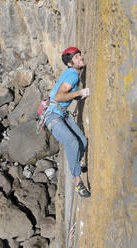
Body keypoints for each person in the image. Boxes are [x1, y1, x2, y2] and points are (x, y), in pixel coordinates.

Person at [45, 47, 90, 198]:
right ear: (71, 63)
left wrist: (77, 96)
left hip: (60, 114)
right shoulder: (72, 74)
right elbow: (58, 97)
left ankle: (76, 164)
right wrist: (79, 93)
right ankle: (77, 181)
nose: (81, 57)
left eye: (80, 54)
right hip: (53, 116)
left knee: (82, 141)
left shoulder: (73, 73)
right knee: (72, 142)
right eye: (77, 57)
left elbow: (65, 95)